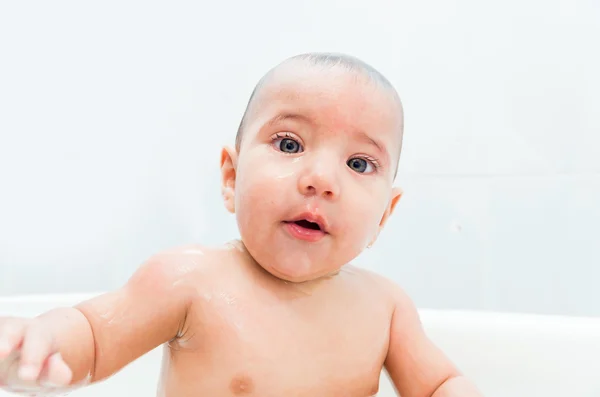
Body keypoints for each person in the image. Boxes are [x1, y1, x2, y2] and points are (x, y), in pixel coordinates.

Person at [0, 53, 483, 396]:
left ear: (384, 216)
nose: (321, 179)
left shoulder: (386, 309)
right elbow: (93, 335)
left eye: (359, 164)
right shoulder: (189, 282)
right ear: (231, 177)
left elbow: (439, 384)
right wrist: (38, 345)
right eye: (290, 144)